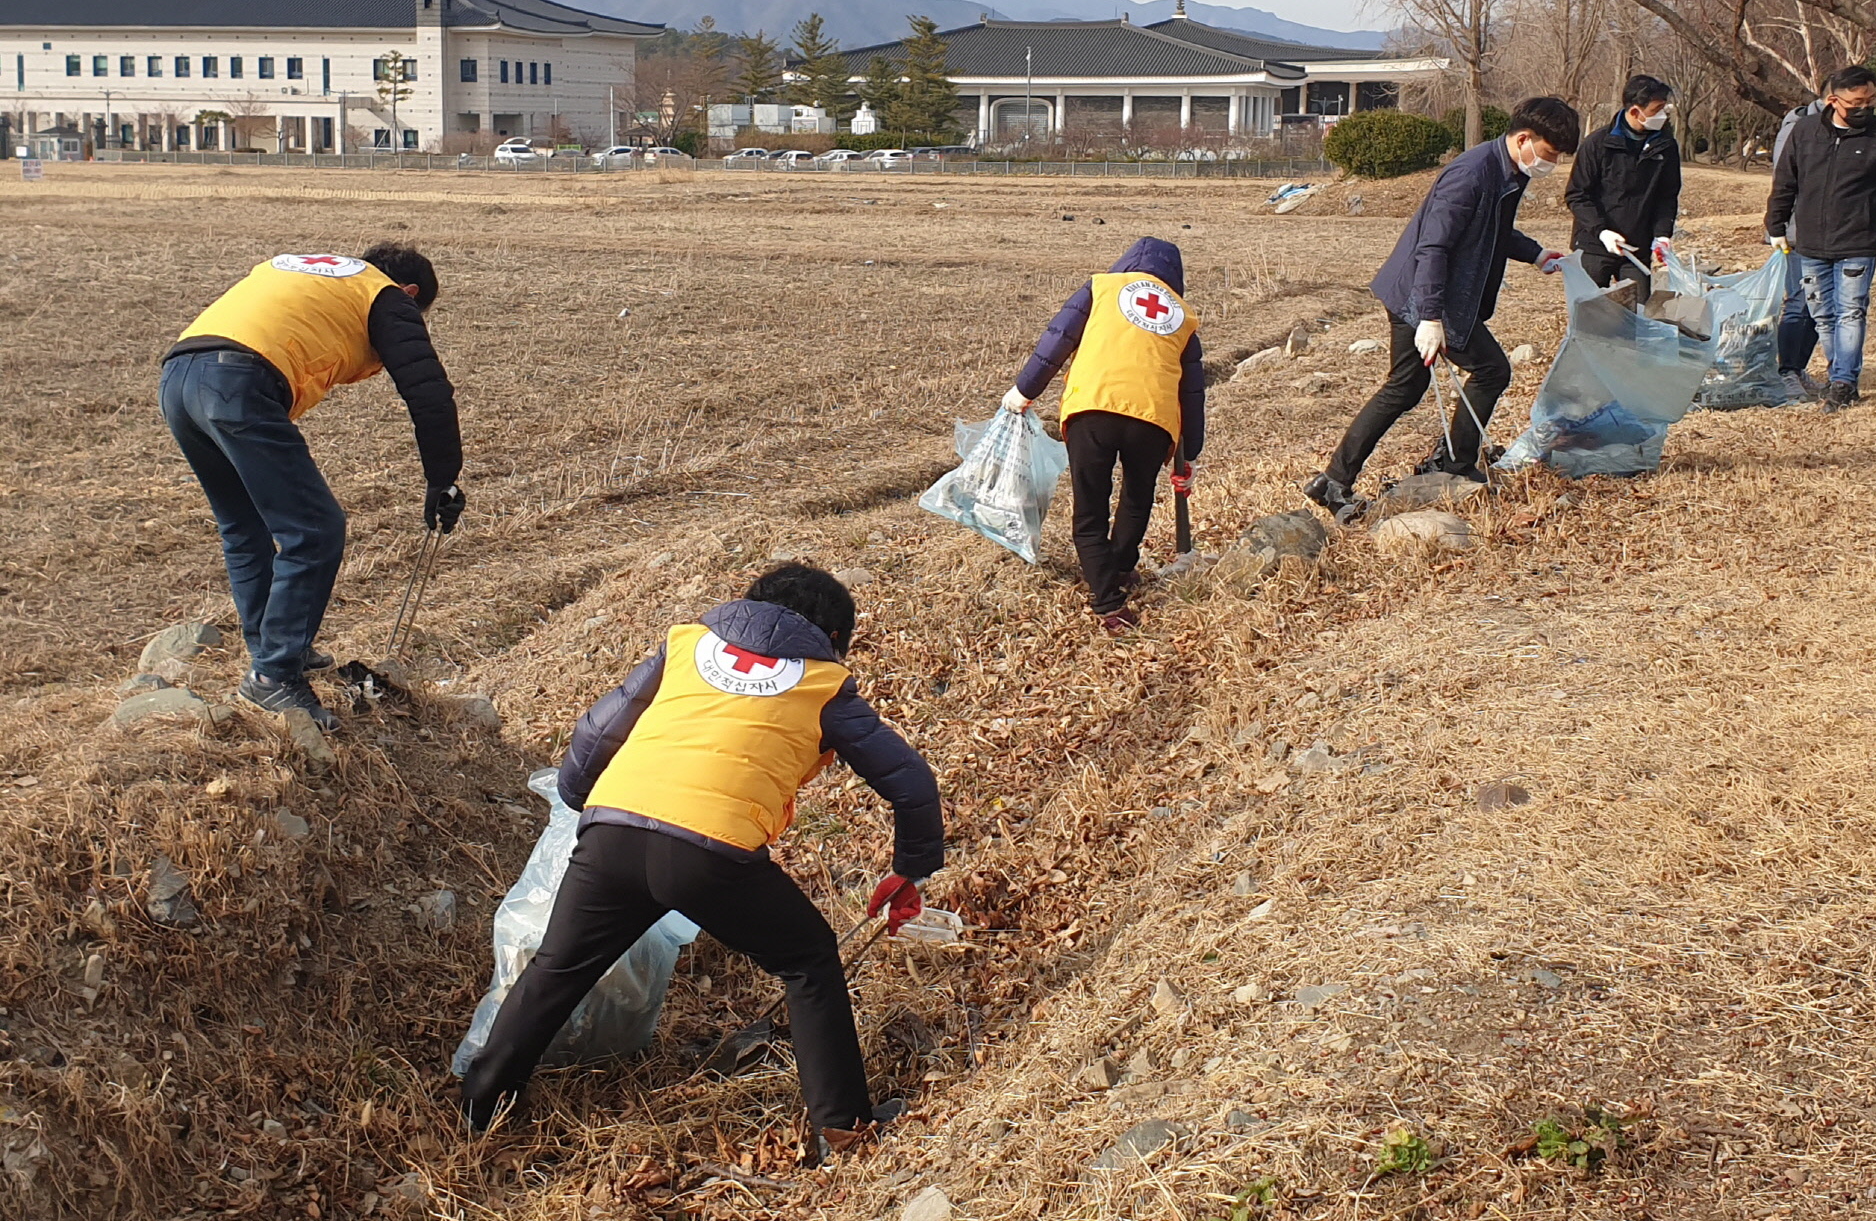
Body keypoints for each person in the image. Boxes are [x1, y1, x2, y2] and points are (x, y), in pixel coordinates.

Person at [460, 563, 942, 1158]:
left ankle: (480, 1104)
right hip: (710, 853)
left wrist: (592, 806)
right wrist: (909, 869)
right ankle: (841, 1129)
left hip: (610, 834)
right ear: (835, 639)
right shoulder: (822, 683)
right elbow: (912, 784)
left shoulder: (685, 648)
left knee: (557, 970)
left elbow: (592, 735)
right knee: (809, 959)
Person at [159, 245, 463, 728]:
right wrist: (443, 479)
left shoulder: (311, 273)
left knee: (245, 527)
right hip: (236, 381)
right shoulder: (386, 296)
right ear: (410, 294)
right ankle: (275, 676)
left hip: (178, 376)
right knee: (316, 529)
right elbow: (427, 391)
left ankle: (274, 654)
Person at [1302, 96, 1580, 518]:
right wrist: (1429, 317)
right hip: (1424, 296)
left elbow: (1495, 230)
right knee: (1490, 370)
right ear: (1524, 138)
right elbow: (1433, 247)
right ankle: (1456, 463)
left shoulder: (1509, 170)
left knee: (1405, 388)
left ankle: (1336, 480)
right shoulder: (1470, 175)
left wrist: (1537, 254)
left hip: (1437, 298)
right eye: (1550, 153)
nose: (1552, 164)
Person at [1001, 237, 1205, 633]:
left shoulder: (1100, 288)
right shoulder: (1182, 315)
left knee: (1090, 507)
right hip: (1152, 419)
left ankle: (1110, 603)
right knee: (1136, 498)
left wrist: (1024, 390)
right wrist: (1190, 454)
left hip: (1092, 408)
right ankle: (1121, 569)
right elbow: (1192, 393)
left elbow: (1057, 340)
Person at [1763, 66, 1876, 411]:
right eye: (1856, 102)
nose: (1865, 108)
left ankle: (1843, 382)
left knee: (1851, 311)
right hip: (1810, 240)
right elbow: (1785, 183)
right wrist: (1775, 226)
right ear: (1833, 100)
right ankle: (1839, 370)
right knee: (1823, 314)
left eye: (1871, 100)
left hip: (1858, 240)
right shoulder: (1805, 131)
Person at [1566, 74, 1680, 287]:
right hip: (1594, 244)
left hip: (1637, 246)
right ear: (1636, 112)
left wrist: (1662, 234)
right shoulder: (1597, 144)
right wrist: (1601, 231)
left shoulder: (1666, 146)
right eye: (1656, 110)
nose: (1663, 115)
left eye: (1664, 108)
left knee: (1636, 309)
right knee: (1590, 311)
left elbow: (1667, 195)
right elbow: (1577, 195)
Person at [1769, 90, 1825, 400]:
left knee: (1820, 303)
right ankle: (1786, 371)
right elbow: (1786, 181)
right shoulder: (1799, 126)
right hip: (1797, 230)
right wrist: (1779, 228)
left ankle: (1798, 366)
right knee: (1799, 301)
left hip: (1830, 231)